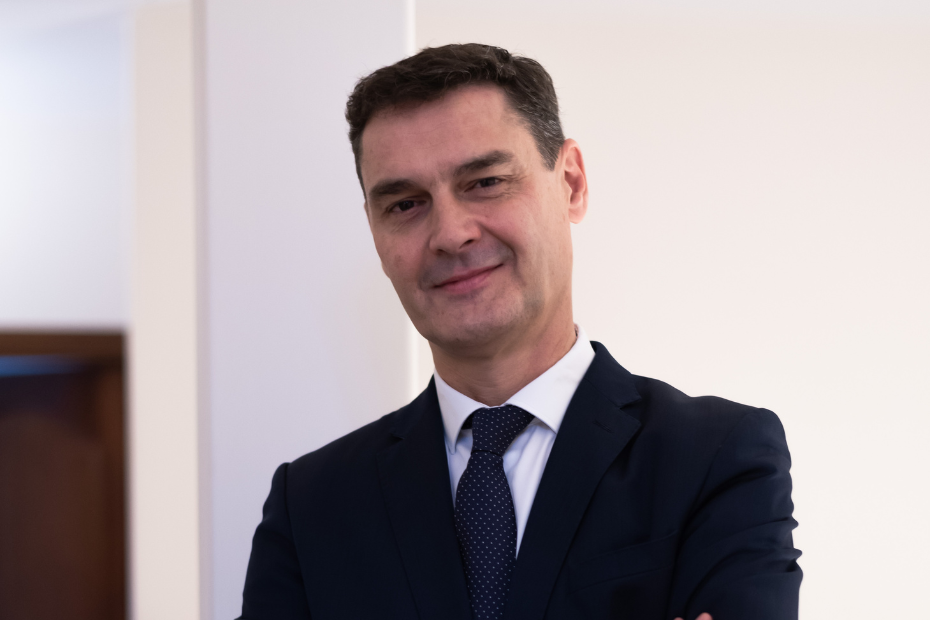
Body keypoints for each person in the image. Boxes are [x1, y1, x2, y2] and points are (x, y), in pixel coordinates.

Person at [238, 44, 801, 620]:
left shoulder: (715, 459)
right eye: (405, 204)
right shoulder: (311, 506)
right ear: (375, 233)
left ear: (571, 183)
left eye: (485, 181)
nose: (450, 233)